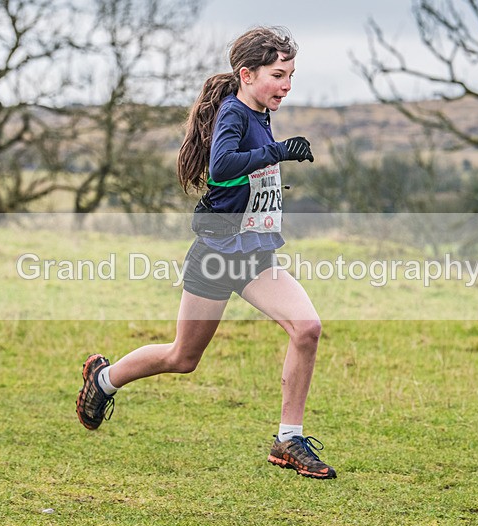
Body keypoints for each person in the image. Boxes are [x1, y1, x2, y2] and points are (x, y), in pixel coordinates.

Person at [76, 26, 336, 479]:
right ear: (247, 74)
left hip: (254, 255)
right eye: (279, 75)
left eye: (291, 75)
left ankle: (288, 439)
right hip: (217, 255)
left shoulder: (258, 109)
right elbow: (222, 168)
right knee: (182, 358)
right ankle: (104, 379)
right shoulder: (235, 113)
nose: (287, 85)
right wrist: (277, 153)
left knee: (308, 328)